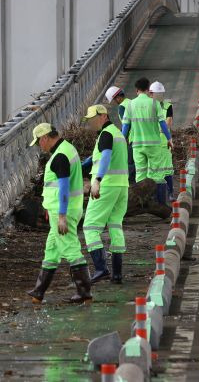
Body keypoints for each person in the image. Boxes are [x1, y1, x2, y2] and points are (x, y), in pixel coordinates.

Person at [27, 123, 92, 304]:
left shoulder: (59, 157)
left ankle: (84, 292)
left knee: (70, 248)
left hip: (62, 211)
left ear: (45, 138)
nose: (40, 146)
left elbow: (63, 188)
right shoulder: (68, 149)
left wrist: (61, 216)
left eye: (39, 142)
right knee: (52, 250)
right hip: (68, 208)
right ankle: (38, 292)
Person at [82, 105, 129, 284]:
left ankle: (101, 269)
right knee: (115, 225)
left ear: (103, 116)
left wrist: (97, 180)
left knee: (90, 227)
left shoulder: (106, 134)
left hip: (107, 185)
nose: (91, 122)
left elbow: (106, 157)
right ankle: (117, 274)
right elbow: (95, 159)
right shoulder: (117, 134)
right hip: (121, 186)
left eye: (93, 118)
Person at [121, 77, 173, 205]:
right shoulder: (154, 103)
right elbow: (163, 124)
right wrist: (169, 139)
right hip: (154, 145)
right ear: (148, 89)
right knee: (158, 175)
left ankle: (142, 205)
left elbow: (125, 126)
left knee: (140, 175)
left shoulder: (130, 105)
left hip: (137, 146)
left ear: (136, 90)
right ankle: (160, 204)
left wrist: (122, 141)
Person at [149, 81, 175, 202]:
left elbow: (168, 122)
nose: (159, 96)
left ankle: (170, 192)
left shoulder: (167, 106)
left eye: (160, 94)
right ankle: (155, 194)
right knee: (153, 169)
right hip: (152, 141)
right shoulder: (148, 105)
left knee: (167, 168)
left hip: (164, 141)